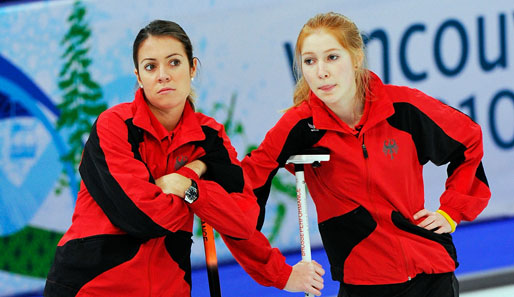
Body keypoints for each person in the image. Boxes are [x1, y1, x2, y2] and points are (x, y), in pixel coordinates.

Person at [224, 12, 491, 297]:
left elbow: (468, 141)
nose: (321, 72)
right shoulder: (300, 127)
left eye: (332, 57)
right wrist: (278, 272)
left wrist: (452, 210)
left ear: (356, 57)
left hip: (430, 275)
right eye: (310, 61)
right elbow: (240, 195)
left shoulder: (402, 107)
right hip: (363, 284)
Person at [44, 19, 260, 296]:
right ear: (138, 76)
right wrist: (200, 178)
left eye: (173, 62)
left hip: (170, 286)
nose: (163, 75)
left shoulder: (210, 136)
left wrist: (187, 183)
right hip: (93, 286)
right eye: (150, 66)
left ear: (192, 67)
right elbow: (143, 218)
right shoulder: (114, 125)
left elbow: (244, 220)